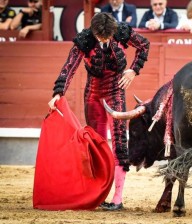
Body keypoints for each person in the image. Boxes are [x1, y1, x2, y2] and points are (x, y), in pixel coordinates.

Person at [48, 12, 150, 211]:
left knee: (120, 143)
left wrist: (133, 70)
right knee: (96, 146)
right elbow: (69, 67)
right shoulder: (85, 39)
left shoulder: (121, 31)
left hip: (116, 92)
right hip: (93, 96)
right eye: (100, 37)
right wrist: (58, 93)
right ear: (93, 32)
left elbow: (144, 45)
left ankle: (117, 198)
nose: (104, 40)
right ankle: (98, 194)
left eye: (107, 36)